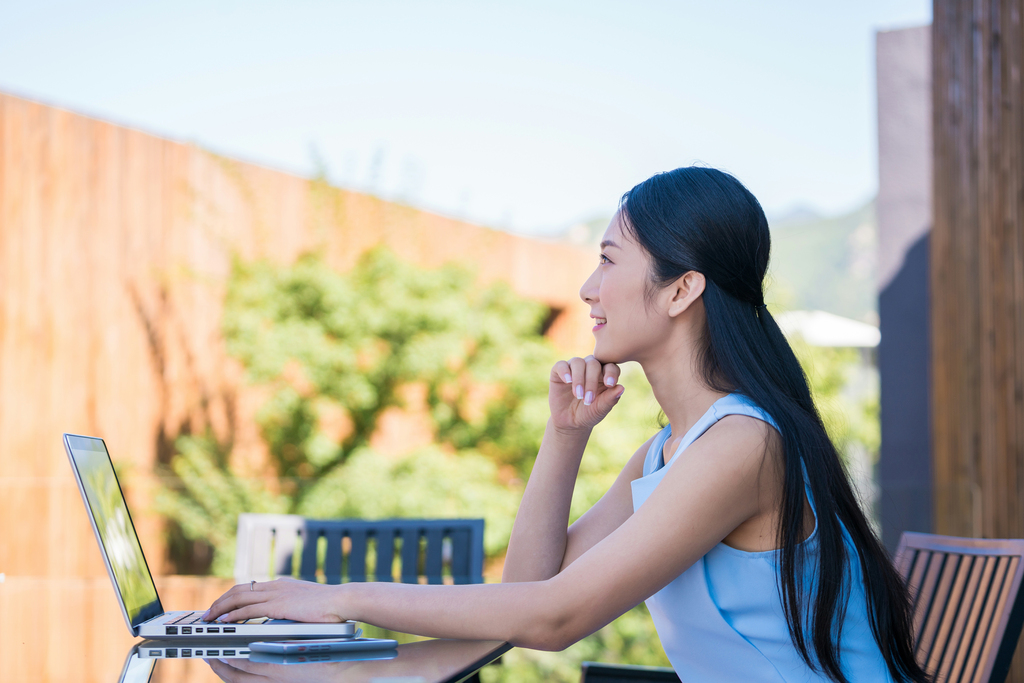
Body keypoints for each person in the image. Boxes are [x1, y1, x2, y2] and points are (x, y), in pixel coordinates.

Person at [205, 167, 929, 683]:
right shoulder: (667, 453)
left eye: (609, 260)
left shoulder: (744, 444)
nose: (588, 288)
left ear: (682, 290)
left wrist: (336, 598)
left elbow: (554, 618)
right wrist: (566, 435)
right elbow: (528, 592)